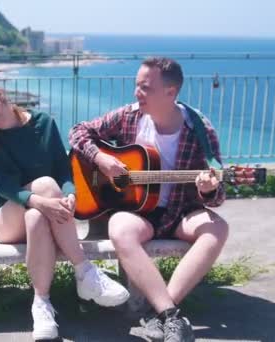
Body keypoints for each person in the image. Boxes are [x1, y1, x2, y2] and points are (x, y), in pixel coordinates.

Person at [68, 57, 229, 342]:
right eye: (136, 86)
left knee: (217, 228)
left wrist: (207, 190)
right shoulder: (129, 116)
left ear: (171, 92)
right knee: (119, 228)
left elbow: (217, 196)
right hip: (139, 212)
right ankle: (172, 316)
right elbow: (78, 132)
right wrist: (102, 159)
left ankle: (162, 314)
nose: (136, 93)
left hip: (180, 211)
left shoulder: (199, 129)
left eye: (144, 88)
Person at [0, 79, 130, 340]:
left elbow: (63, 169)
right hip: (6, 217)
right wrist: (41, 199)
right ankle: (84, 271)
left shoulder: (42, 123)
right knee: (45, 187)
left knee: (37, 217)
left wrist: (71, 194)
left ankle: (41, 304)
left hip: (41, 214)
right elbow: (3, 185)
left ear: (0, 94)